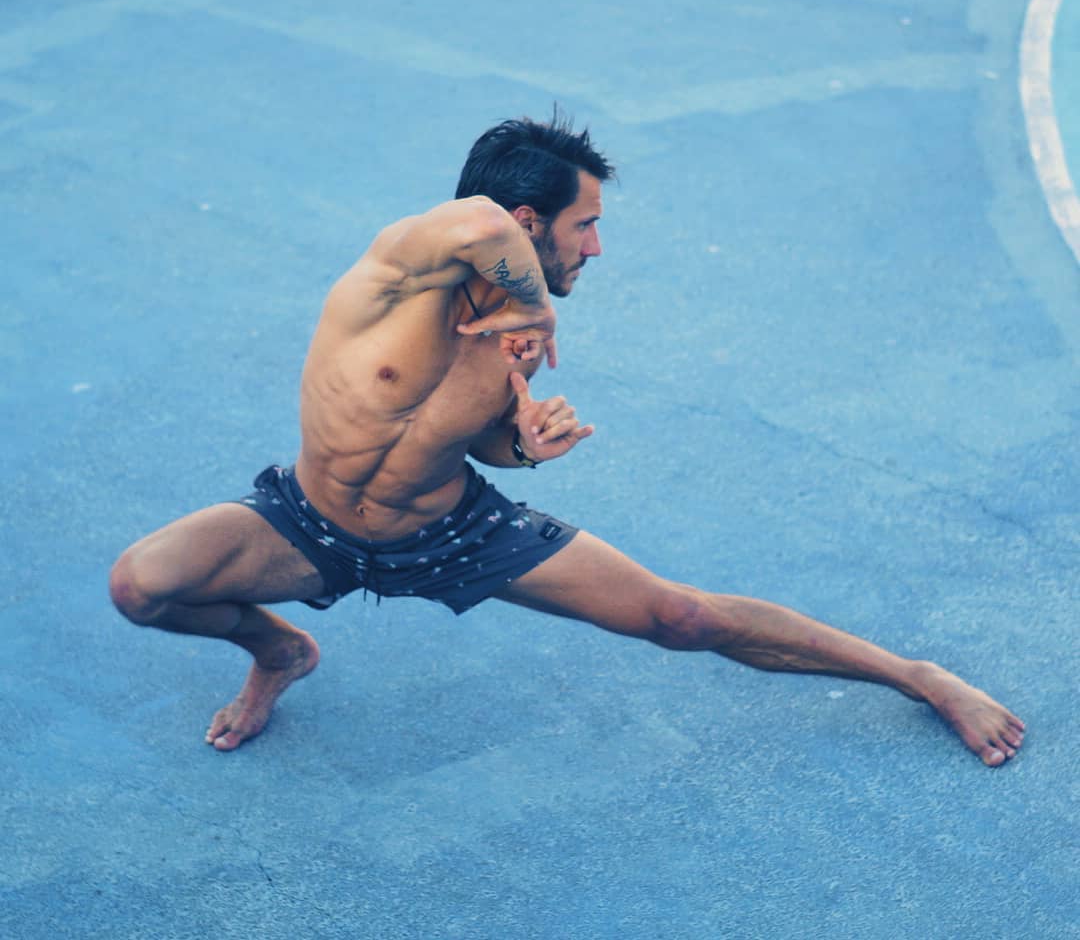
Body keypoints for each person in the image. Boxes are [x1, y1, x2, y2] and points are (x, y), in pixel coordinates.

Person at [109, 113, 1026, 767]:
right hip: (309, 521)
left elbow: (479, 446)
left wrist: (525, 446)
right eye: (586, 224)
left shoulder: (514, 337)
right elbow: (470, 220)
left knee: (684, 618)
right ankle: (280, 652)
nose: (595, 248)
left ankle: (919, 678)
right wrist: (530, 302)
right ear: (527, 224)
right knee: (141, 587)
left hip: (445, 529)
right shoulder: (397, 272)